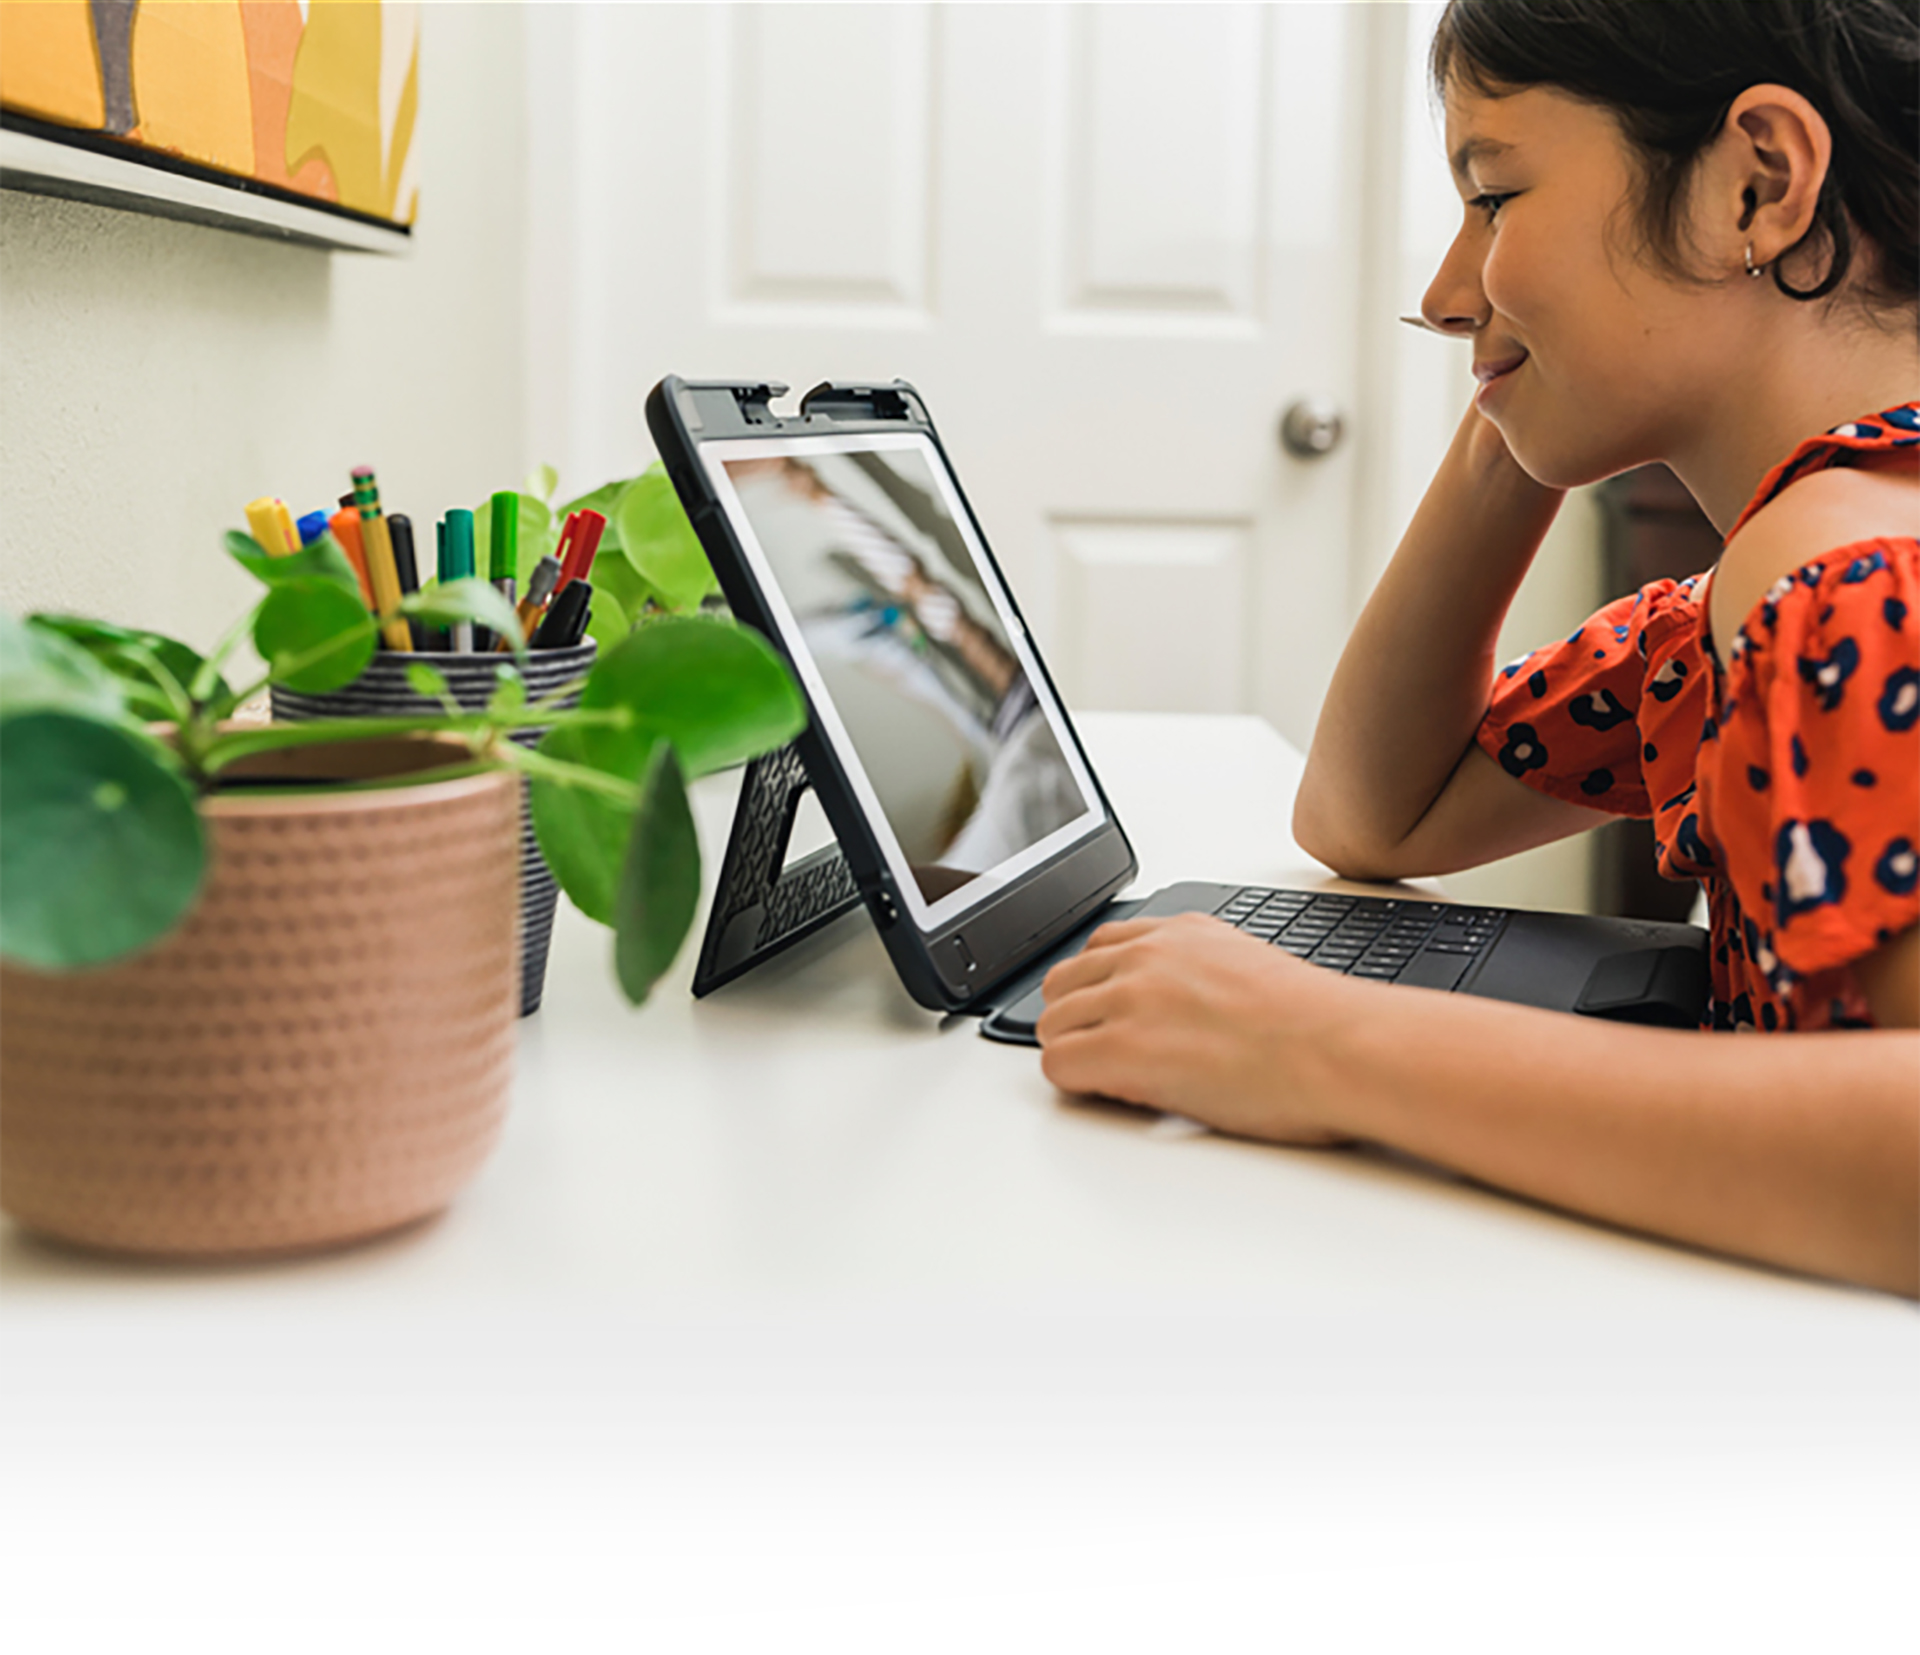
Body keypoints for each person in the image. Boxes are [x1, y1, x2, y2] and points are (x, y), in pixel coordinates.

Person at [1035, 0, 1919, 1297]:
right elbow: (1380, 812)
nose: (1447, 299)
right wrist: (1520, 399)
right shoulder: (1772, 581)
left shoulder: (1849, 582)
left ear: (1758, 184)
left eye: (1494, 197)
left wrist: (1318, 1045)